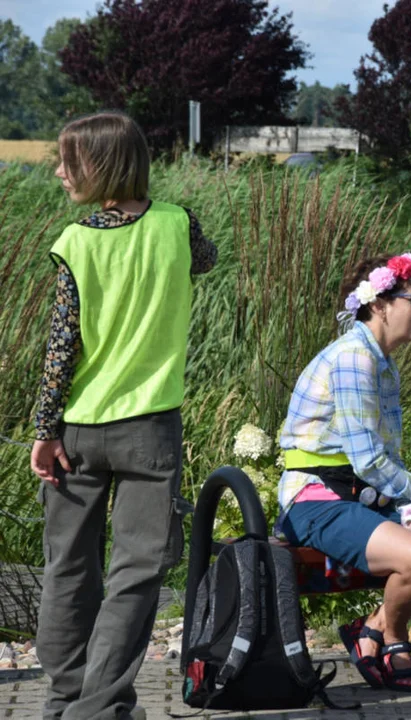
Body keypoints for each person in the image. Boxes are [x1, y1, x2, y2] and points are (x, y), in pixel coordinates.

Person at [30, 111, 218, 720]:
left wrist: (43, 430)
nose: (60, 172)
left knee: (68, 568)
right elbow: (205, 260)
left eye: (70, 162)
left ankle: (65, 700)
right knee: (134, 576)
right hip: (150, 431)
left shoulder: (74, 243)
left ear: (101, 166)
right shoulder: (178, 225)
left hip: (78, 432)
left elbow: (61, 350)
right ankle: (100, 707)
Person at [275, 253, 411, 692]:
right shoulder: (355, 358)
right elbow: (369, 461)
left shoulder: (381, 359)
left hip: (364, 495)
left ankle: (371, 627)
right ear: (380, 304)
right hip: (318, 499)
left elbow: (377, 463)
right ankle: (393, 637)